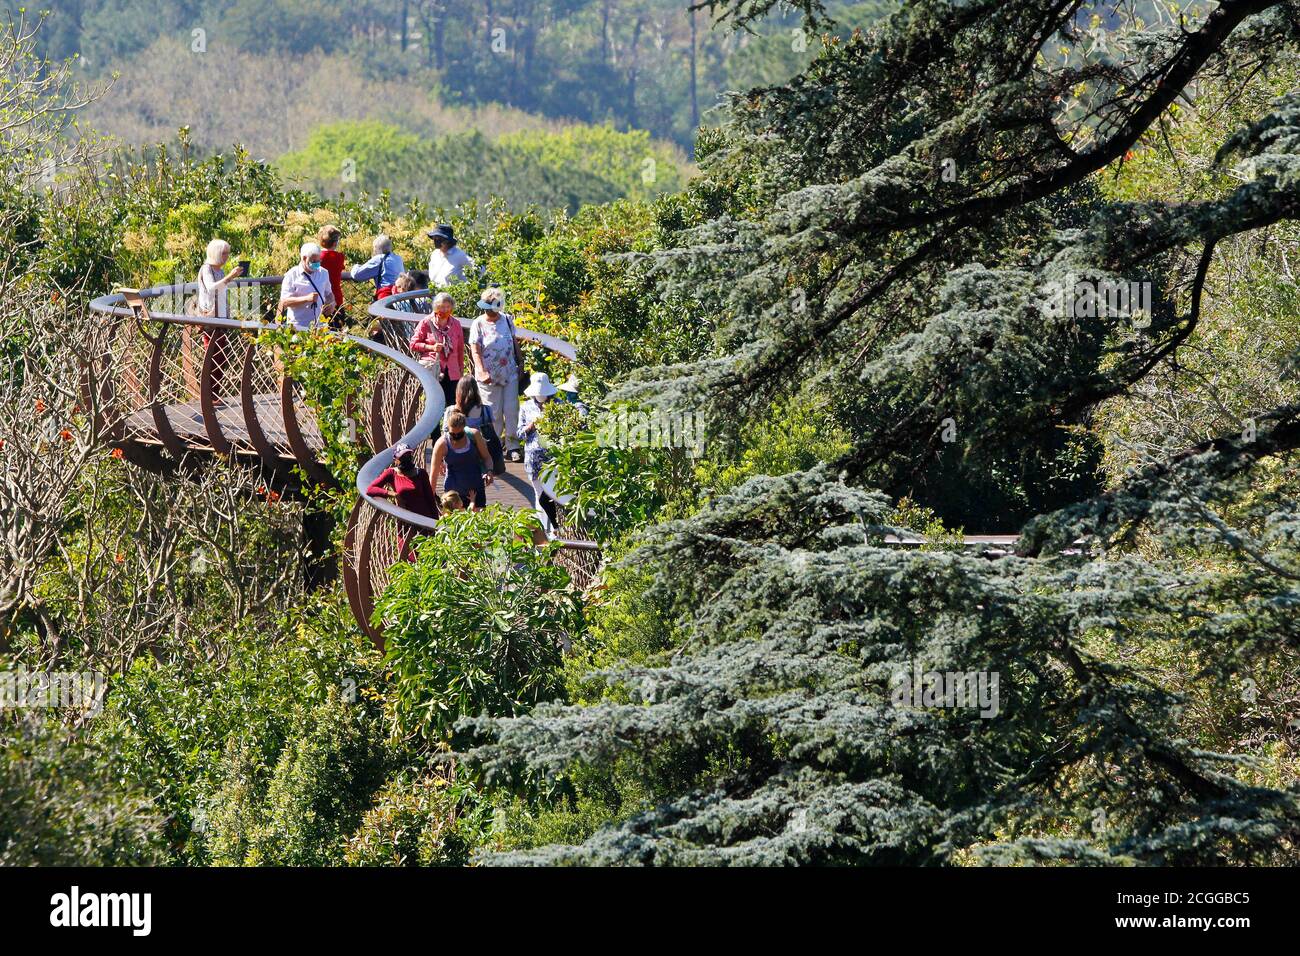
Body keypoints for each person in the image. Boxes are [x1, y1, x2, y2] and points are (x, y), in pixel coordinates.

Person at [469, 286, 523, 462]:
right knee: (494, 413)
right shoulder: (478, 323)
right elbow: (475, 350)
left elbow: (514, 341)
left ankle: (513, 446)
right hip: (489, 376)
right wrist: (482, 371)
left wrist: (520, 362)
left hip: (509, 372)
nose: (486, 310)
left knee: (511, 410)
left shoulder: (507, 319)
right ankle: (495, 446)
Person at [190, 239, 247, 408]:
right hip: (210, 319)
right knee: (212, 357)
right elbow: (212, 288)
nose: (226, 257)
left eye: (227, 253)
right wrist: (230, 276)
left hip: (221, 318)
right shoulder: (207, 268)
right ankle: (208, 395)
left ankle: (214, 394)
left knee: (220, 357)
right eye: (224, 253)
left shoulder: (219, 270)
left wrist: (229, 276)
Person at [365, 442, 439, 560]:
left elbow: (430, 500)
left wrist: (436, 525)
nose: (406, 459)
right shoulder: (391, 473)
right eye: (402, 457)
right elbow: (370, 489)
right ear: (396, 460)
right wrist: (391, 494)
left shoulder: (421, 473)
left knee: (429, 558)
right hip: (406, 523)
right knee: (409, 558)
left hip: (424, 522)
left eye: (408, 456)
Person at [518, 371, 562, 530]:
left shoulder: (559, 404)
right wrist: (530, 427)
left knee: (554, 495)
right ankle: (545, 530)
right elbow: (518, 434)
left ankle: (557, 528)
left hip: (554, 459)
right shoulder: (526, 407)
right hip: (534, 458)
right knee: (539, 496)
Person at [411, 291, 464, 410]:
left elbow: (460, 349)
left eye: (447, 307)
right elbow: (413, 344)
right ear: (435, 307)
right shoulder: (426, 322)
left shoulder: (455, 324)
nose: (445, 310)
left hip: (452, 371)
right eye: (441, 307)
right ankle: (434, 429)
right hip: (432, 368)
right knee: (433, 406)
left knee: (453, 406)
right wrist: (431, 347)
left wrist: (461, 370)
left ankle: (450, 428)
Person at [431, 411, 495, 511]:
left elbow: (487, 457)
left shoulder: (474, 435)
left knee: (478, 522)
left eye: (459, 434)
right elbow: (434, 474)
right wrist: (430, 497)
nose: (456, 437)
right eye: (453, 434)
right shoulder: (442, 444)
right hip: (453, 495)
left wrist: (489, 471)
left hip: (475, 489)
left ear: (465, 428)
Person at [279, 242, 336, 331]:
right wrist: (306, 299)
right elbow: (285, 302)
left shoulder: (324, 273)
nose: (317, 264)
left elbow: (329, 293)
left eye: (319, 261)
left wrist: (332, 303)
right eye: (313, 261)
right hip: (297, 327)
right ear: (304, 258)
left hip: (319, 327)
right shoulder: (292, 275)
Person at [350, 234, 404, 301]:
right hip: (400, 296)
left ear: (378, 248)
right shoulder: (398, 258)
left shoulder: (380, 258)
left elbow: (357, 275)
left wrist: (356, 266)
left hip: (386, 298)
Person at [317, 225, 347, 310]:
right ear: (334, 243)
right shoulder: (339, 257)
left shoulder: (317, 257)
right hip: (336, 298)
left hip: (320, 298)